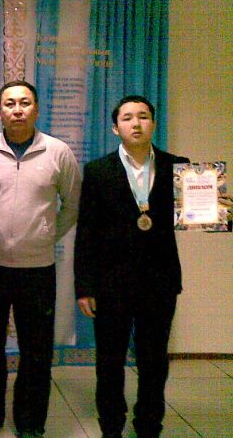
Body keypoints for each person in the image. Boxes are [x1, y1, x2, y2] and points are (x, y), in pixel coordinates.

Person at [0, 81, 81, 438]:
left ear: (37, 109)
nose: (17, 110)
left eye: (25, 103)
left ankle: (30, 422)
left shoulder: (58, 152)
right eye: (10, 103)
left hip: (37, 269)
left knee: (37, 351)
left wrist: (45, 236)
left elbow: (72, 205)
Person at [74, 95, 190, 438]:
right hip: (111, 283)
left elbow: (198, 215)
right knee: (109, 361)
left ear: (153, 123)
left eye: (143, 116)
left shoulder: (179, 168)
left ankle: (149, 423)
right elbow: (86, 232)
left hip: (160, 281)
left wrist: (219, 206)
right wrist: (84, 286)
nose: (136, 123)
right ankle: (111, 425)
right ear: (115, 128)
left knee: (154, 360)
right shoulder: (98, 171)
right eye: (127, 118)